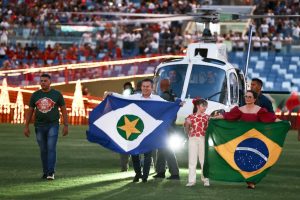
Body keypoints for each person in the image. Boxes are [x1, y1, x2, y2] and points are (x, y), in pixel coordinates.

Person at [214, 90, 278, 189]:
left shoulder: (260, 110)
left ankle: (251, 181)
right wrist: (215, 118)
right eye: (246, 97)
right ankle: (247, 179)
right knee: (244, 160)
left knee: (254, 161)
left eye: (249, 97)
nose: (247, 99)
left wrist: (283, 122)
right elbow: (228, 116)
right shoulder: (240, 109)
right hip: (243, 139)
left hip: (256, 140)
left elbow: (271, 118)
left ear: (254, 99)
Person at [23, 73, 68, 180]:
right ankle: (45, 172)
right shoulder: (35, 95)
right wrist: (26, 126)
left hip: (53, 125)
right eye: (41, 81)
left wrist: (66, 125)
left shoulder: (57, 94)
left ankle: (51, 172)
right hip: (39, 126)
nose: (43, 83)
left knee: (51, 148)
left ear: (50, 82)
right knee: (43, 150)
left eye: (45, 81)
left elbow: (64, 109)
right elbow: (30, 111)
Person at [130, 78, 167, 183]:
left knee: (148, 154)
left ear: (152, 87)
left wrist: (178, 103)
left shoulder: (157, 99)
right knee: (134, 153)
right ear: (141, 87)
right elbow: (122, 98)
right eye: (143, 86)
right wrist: (111, 94)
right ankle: (138, 173)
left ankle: (145, 177)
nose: (145, 88)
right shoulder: (135, 97)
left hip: (149, 130)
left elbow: (168, 105)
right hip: (135, 129)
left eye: (147, 86)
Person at [153, 79, 180, 180]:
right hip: (170, 125)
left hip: (165, 126)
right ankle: (161, 171)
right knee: (162, 149)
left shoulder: (164, 96)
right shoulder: (173, 95)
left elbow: (159, 110)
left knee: (166, 149)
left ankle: (174, 173)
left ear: (161, 86)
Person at [184, 98, 210, 187]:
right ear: (198, 106)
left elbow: (209, 128)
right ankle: (191, 181)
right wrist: (187, 126)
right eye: (203, 106)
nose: (205, 108)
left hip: (203, 138)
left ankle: (205, 179)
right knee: (192, 160)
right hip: (193, 139)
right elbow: (186, 129)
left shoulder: (207, 117)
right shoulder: (190, 117)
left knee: (203, 160)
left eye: (206, 106)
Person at [120, 81, 134, 172]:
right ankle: (124, 167)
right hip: (126, 125)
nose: (127, 90)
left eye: (129, 88)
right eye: (126, 88)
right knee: (124, 147)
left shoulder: (137, 97)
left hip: (136, 124)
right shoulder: (121, 99)